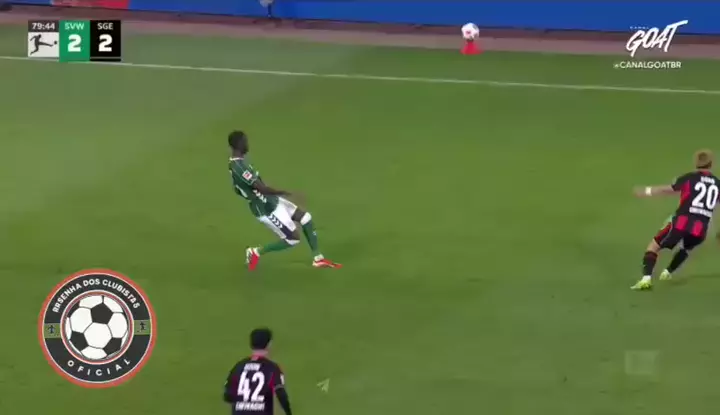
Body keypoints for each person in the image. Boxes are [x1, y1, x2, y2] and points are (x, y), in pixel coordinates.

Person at [228, 130, 341, 271]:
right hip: (265, 208)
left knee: (305, 218)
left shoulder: (239, 164)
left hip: (271, 200)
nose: (247, 144)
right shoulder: (239, 167)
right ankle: (255, 252)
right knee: (293, 238)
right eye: (245, 142)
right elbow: (260, 188)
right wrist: (284, 193)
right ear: (239, 144)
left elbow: (239, 188)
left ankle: (318, 259)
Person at [631, 149, 718, 290]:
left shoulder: (689, 178)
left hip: (681, 222)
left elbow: (667, 190)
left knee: (654, 246)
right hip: (701, 228)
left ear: (696, 163)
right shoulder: (717, 184)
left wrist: (646, 191)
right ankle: (668, 272)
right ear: (711, 164)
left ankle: (646, 279)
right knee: (686, 248)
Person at [224, 328, 292, 415]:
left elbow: (227, 396)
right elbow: (280, 393)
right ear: (269, 344)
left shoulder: (238, 366)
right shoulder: (272, 368)